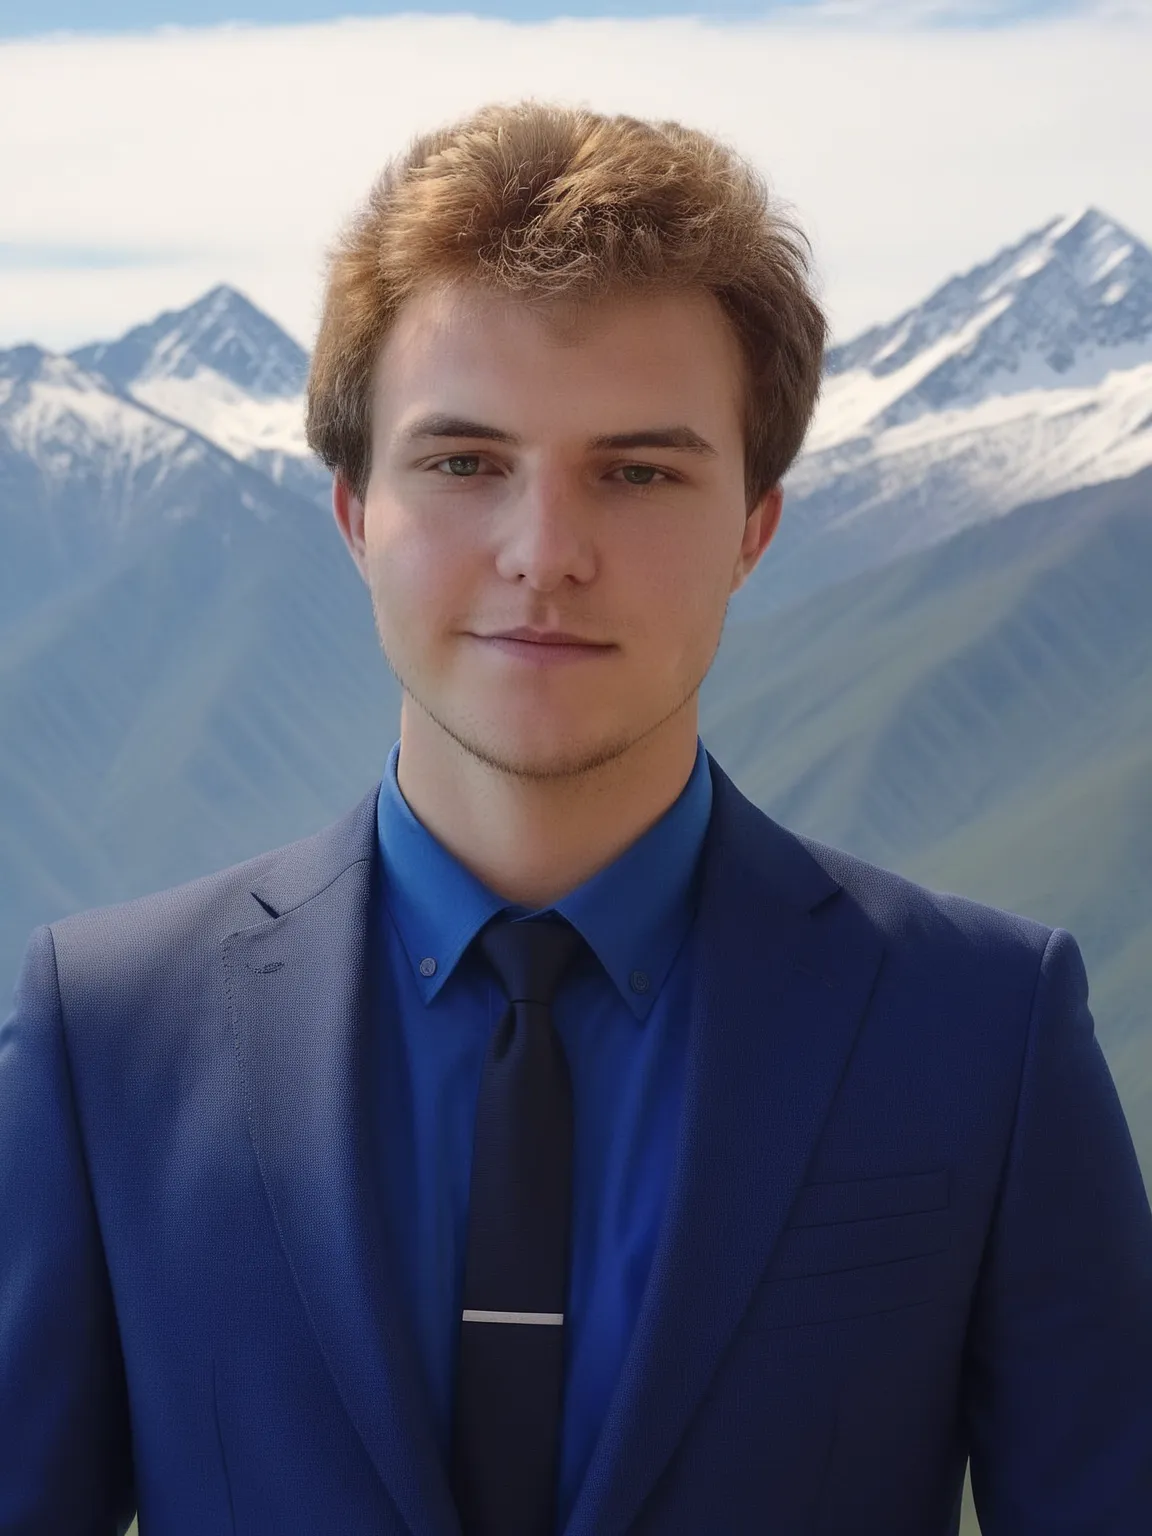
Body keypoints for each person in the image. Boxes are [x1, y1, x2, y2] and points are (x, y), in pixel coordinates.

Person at [2, 99, 1149, 1536]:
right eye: (464, 463)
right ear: (353, 515)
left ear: (754, 529)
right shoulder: (112, 1036)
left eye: (639, 472)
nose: (546, 554)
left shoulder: (983, 1033)